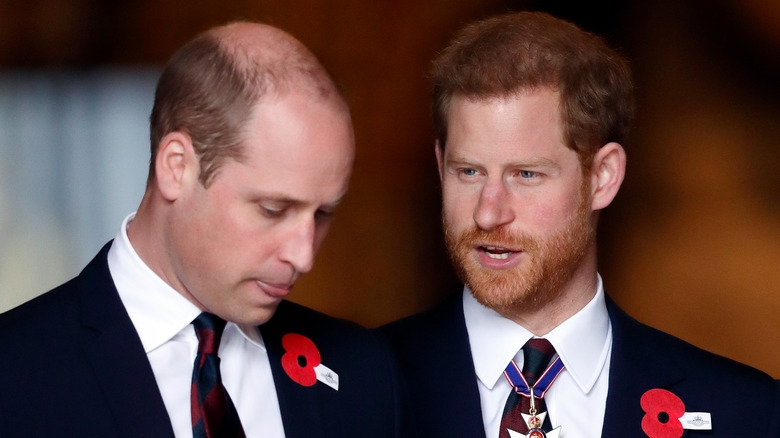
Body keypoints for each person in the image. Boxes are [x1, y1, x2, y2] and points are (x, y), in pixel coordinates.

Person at [381, 11, 779, 438]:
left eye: (526, 175)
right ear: (441, 167)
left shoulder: (746, 412)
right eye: (469, 172)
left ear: (602, 177)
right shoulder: (352, 387)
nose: (487, 213)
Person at [0, 22, 406, 438]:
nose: (304, 256)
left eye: (321, 215)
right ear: (176, 167)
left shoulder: (363, 372)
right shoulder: (13, 374)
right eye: (272, 209)